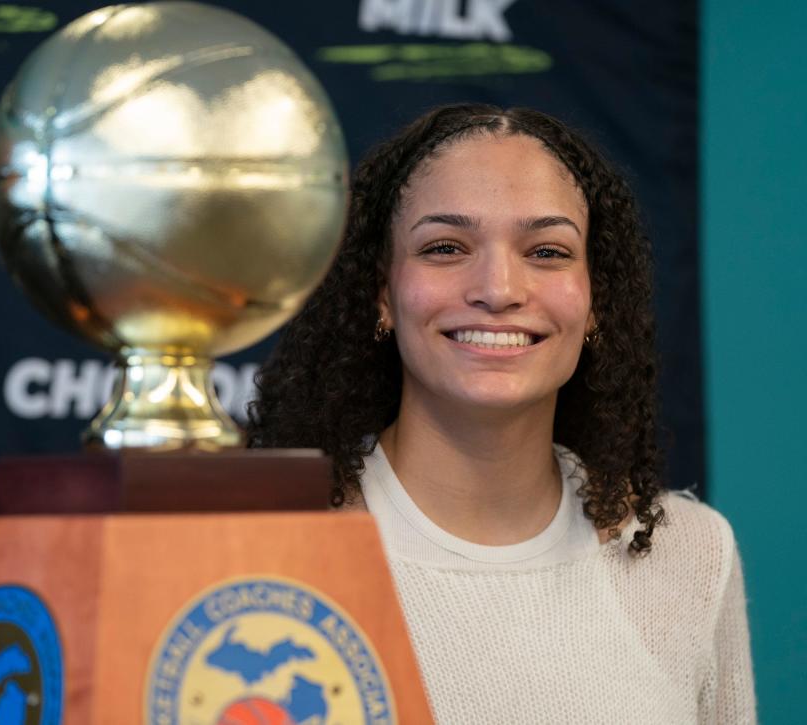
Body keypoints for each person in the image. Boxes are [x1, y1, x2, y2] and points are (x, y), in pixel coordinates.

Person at [247, 104, 755, 723]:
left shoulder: (693, 556)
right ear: (382, 294)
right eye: (444, 247)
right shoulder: (262, 546)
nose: (498, 288)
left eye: (546, 251)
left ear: (595, 302)